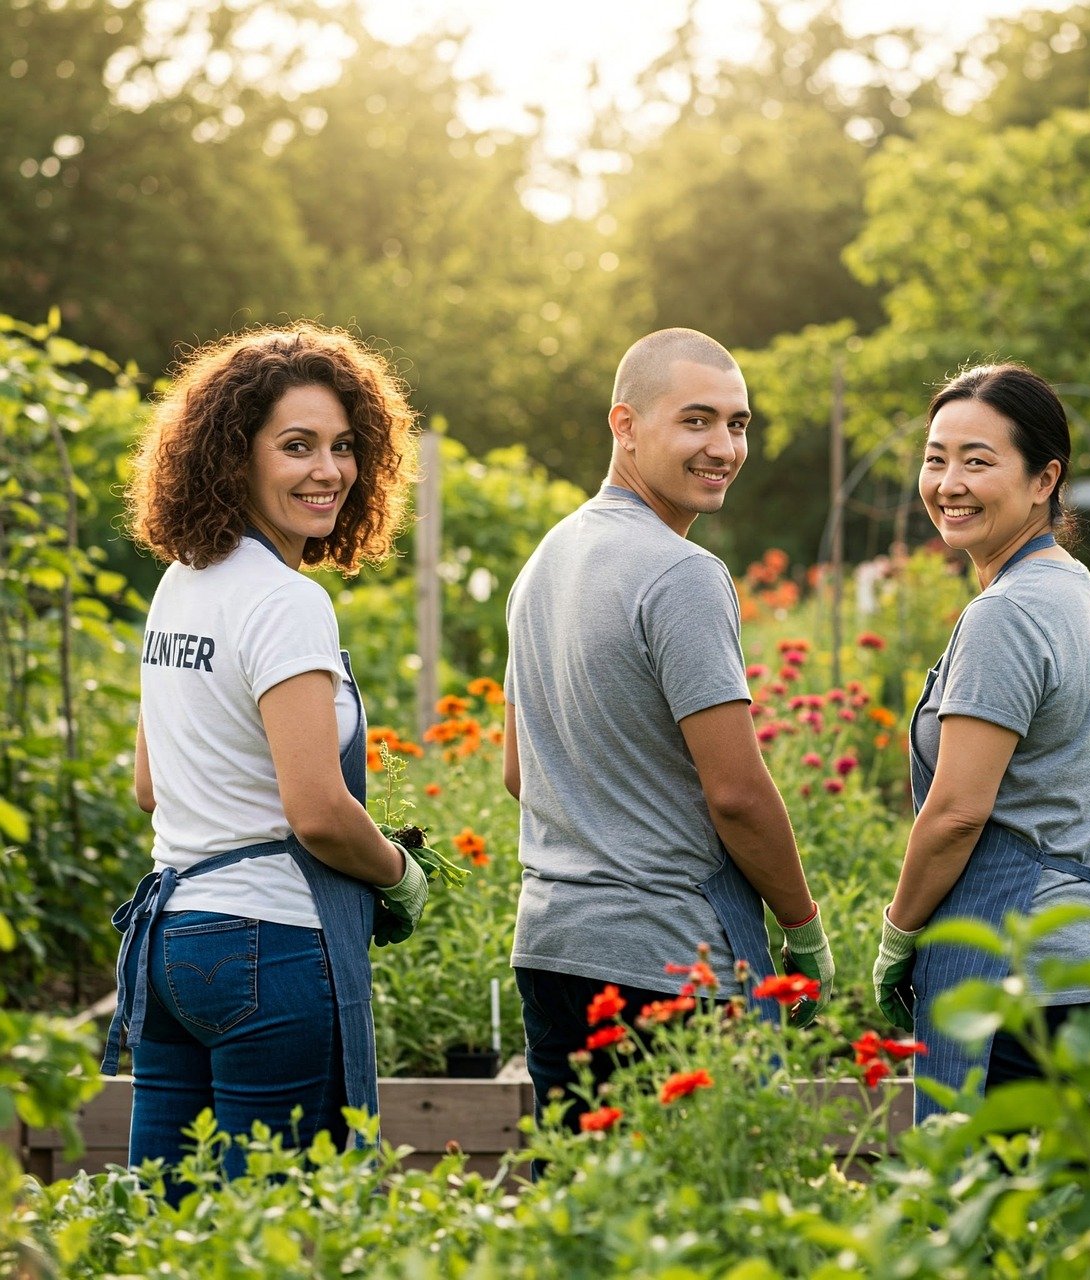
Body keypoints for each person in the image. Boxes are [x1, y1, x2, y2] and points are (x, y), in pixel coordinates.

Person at [102, 322, 430, 1196]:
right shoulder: (285, 603)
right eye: (296, 446)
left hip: (173, 949)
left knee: (172, 1228)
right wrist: (399, 871)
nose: (328, 470)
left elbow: (148, 787)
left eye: (343, 446)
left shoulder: (184, 581)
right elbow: (317, 810)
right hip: (269, 947)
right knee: (283, 1224)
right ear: (232, 457)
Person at [502, 327, 835, 1134]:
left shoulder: (548, 558)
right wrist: (803, 930)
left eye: (738, 424)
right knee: (704, 1229)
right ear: (626, 426)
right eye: (696, 421)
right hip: (669, 965)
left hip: (552, 948)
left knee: (587, 1223)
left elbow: (518, 770)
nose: (723, 446)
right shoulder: (681, 573)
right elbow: (736, 795)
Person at [871, 362, 1090, 1124]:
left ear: (1043, 480)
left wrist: (898, 935)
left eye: (978, 460)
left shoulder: (1008, 614)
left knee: (993, 1223)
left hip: (1016, 978)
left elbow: (958, 811)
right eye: (936, 458)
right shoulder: (1078, 591)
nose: (949, 482)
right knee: (1070, 1225)